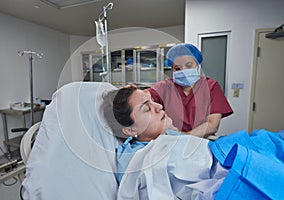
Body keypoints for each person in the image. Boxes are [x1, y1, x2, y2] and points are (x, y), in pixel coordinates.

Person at [102, 86, 284, 200]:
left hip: (234, 148)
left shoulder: (165, 135)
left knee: (268, 140)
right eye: (147, 108)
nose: (158, 107)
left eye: (152, 101)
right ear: (130, 131)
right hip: (237, 167)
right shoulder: (140, 157)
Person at [147, 43, 233, 138]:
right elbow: (144, 96)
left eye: (189, 65)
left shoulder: (211, 87)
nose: (183, 71)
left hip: (201, 139)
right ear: (172, 69)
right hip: (171, 140)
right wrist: (131, 91)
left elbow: (212, 124)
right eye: (178, 68)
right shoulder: (165, 87)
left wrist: (185, 137)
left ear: (197, 65)